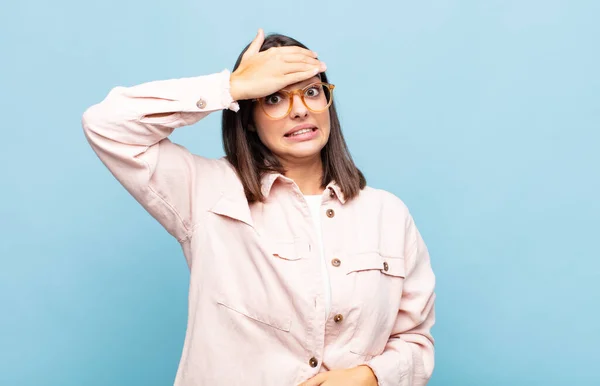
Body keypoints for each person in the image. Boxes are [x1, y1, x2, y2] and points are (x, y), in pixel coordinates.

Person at [82, 28, 436, 386]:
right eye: (273, 98)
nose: (299, 110)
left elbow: (415, 341)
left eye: (312, 92)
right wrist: (230, 88)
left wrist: (371, 376)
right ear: (248, 118)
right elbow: (106, 124)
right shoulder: (205, 192)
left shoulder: (388, 214)